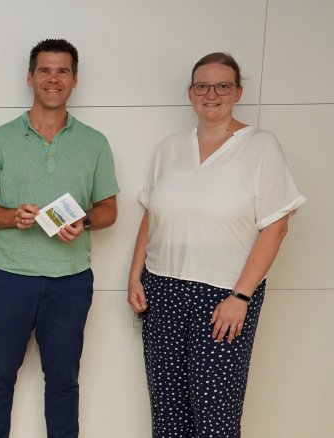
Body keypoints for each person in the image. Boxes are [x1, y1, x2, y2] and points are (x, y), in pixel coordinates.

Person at [127, 52, 305, 438]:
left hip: (223, 296)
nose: (212, 94)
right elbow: (151, 215)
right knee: (168, 411)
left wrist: (241, 297)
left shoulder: (261, 146)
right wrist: (134, 275)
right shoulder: (170, 147)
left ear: (237, 92)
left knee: (215, 417)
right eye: (203, 86)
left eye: (223, 85)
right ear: (190, 93)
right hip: (162, 290)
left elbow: (276, 227)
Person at [0, 39, 119, 438]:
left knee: (64, 382)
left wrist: (84, 222)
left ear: (74, 80)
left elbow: (109, 209)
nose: (53, 79)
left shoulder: (95, 143)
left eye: (63, 71)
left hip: (71, 280)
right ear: (30, 77)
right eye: (45, 70)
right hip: (9, 278)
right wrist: (10, 216)